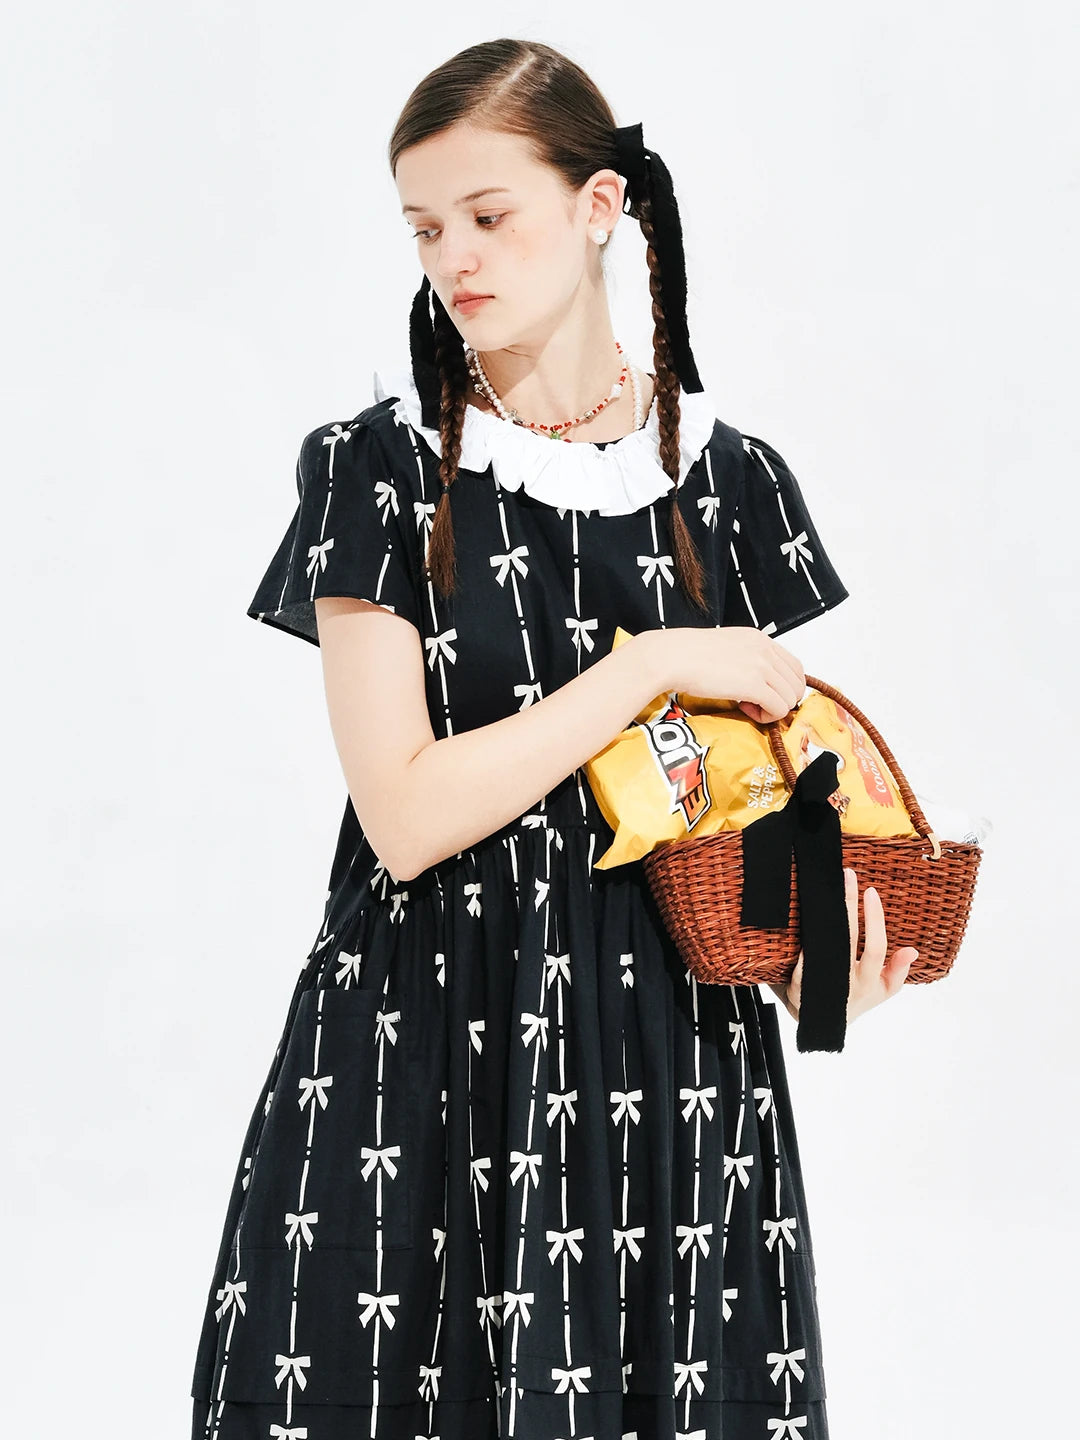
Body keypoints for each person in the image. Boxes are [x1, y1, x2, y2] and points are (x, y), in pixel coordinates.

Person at [189, 37, 915, 1440]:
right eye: (424, 228)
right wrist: (648, 664)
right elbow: (406, 815)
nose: (451, 259)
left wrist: (815, 972)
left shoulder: (732, 484)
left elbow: (745, 805)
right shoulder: (379, 472)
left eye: (487, 215)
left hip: (675, 1074)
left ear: (598, 207)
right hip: (425, 1051)